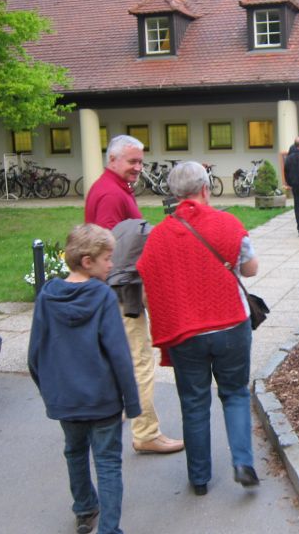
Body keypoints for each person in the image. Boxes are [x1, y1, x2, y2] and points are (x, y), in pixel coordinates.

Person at [137, 161, 260, 495]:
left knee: (193, 403)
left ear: (174, 194)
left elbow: (147, 285)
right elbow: (250, 269)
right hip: (231, 324)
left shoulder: (158, 236)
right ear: (206, 189)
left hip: (185, 332)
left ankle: (199, 479)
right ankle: (243, 463)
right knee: (235, 393)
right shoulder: (228, 223)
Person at [28, 224, 141, 534]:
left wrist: (50, 392)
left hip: (65, 399)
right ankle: (109, 529)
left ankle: (84, 507)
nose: (111, 264)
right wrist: (131, 402)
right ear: (88, 261)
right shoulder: (103, 297)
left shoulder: (47, 297)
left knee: (74, 451)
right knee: (108, 462)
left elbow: (34, 353)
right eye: (107, 258)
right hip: (102, 399)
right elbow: (119, 354)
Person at [84, 134, 183, 455]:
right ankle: (146, 432)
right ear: (112, 159)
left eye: (140, 161)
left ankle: (121, 409)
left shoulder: (112, 187)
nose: (138, 167)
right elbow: (108, 249)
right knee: (139, 360)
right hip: (122, 291)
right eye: (132, 161)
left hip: (115, 289)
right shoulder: (110, 194)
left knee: (121, 357)